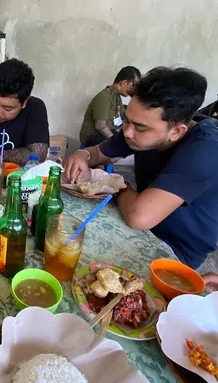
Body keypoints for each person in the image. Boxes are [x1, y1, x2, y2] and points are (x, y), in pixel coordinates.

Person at [64, 67, 218, 269]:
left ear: (176, 131)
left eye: (139, 127)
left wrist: (118, 185)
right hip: (137, 228)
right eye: (127, 120)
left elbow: (139, 216)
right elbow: (98, 153)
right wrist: (82, 155)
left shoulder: (205, 151)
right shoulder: (138, 133)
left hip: (175, 251)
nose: (127, 132)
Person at [79, 66, 141, 147]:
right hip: (92, 136)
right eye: (133, 85)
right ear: (124, 83)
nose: (134, 89)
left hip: (105, 133)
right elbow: (100, 126)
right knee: (120, 146)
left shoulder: (116, 97)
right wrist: (114, 140)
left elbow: (124, 115)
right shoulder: (104, 97)